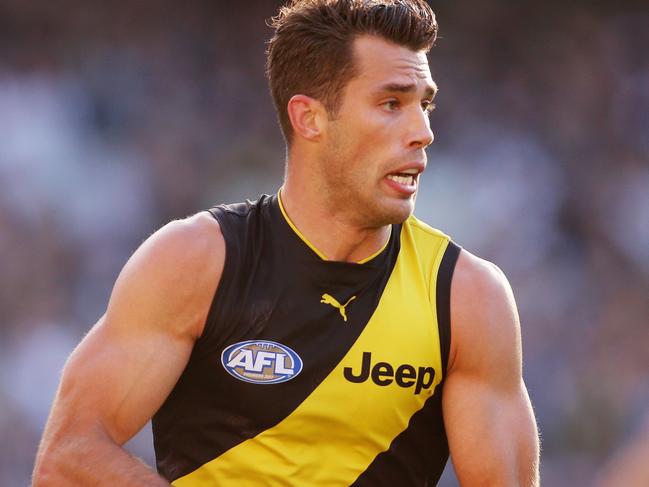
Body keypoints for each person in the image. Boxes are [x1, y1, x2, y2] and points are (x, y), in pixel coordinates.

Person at [33, 0, 540, 485]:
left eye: (424, 105)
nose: (423, 131)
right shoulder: (197, 261)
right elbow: (69, 457)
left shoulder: (467, 297)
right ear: (309, 118)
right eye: (392, 103)